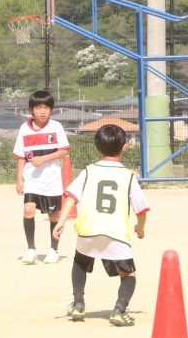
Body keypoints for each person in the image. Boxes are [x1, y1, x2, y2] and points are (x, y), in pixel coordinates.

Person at [53, 124, 148, 326]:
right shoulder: (128, 176)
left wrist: (61, 221)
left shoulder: (89, 171)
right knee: (128, 274)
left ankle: (78, 303)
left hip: (88, 229)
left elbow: (71, 196)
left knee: (80, 262)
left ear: (97, 147)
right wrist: (140, 228)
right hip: (116, 233)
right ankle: (119, 310)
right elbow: (141, 210)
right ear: (124, 147)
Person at [13, 89, 70, 264]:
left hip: (51, 181)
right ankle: (31, 250)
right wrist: (19, 179)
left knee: (53, 216)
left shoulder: (56, 127)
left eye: (46, 107)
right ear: (32, 110)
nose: (43, 111)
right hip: (32, 181)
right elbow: (21, 157)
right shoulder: (24, 129)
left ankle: (53, 250)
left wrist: (44, 159)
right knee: (28, 210)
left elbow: (64, 151)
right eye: (38, 107)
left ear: (51, 109)